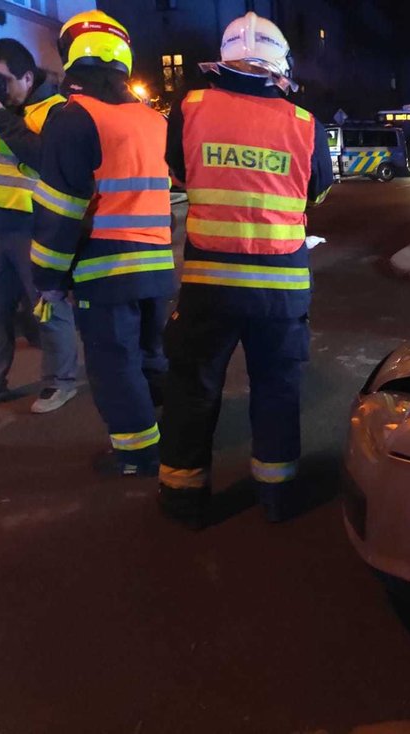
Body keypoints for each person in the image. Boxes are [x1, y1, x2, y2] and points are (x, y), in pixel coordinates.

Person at [158, 11, 333, 527]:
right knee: (277, 391)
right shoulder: (304, 123)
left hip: (209, 286)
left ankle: (183, 501)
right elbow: (317, 191)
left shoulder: (188, 108)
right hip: (280, 292)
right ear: (279, 67)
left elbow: (181, 171)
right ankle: (275, 499)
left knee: (193, 389)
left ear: (223, 62)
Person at [31, 11, 173, 476]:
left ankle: (136, 455)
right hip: (158, 264)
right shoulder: (152, 120)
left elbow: (60, 210)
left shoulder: (71, 118)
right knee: (151, 355)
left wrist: (48, 279)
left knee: (115, 365)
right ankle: (168, 436)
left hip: (106, 268)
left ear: (72, 59)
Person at [0, 39, 79, 413]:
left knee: (46, 306)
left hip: (35, 225)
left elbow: (41, 157)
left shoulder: (55, 110)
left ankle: (60, 381)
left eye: (1, 79)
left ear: (28, 77)